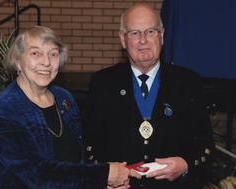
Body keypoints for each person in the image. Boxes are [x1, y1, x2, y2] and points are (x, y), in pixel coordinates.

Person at [0, 26, 141, 189]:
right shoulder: (6, 109)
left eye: (53, 54)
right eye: (35, 53)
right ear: (18, 61)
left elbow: (76, 163)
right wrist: (103, 175)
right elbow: (37, 174)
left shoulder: (64, 99)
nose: (46, 62)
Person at [83, 4, 215, 189]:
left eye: (150, 31)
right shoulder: (103, 83)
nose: (143, 40)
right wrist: (105, 176)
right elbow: (89, 144)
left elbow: (205, 145)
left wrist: (185, 165)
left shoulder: (188, 82)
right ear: (123, 39)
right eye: (135, 33)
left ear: (161, 35)